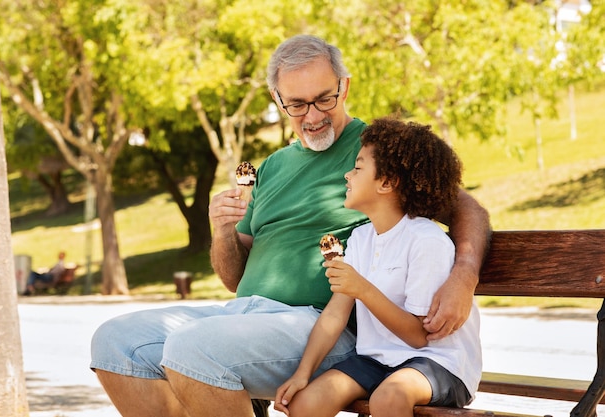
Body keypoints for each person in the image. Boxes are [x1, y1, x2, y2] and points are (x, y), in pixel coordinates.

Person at [90, 34, 490, 417]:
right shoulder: (273, 167)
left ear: (344, 87)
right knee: (114, 343)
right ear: (277, 99)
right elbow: (233, 277)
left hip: (322, 326)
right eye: (297, 104)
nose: (313, 117)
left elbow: (465, 206)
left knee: (193, 349)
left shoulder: (378, 150)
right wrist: (223, 230)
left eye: (323, 99)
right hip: (245, 315)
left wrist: (465, 275)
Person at [274, 117, 481, 417]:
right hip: (378, 360)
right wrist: (303, 374)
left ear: (386, 182)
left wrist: (363, 289)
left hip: (438, 363)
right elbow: (334, 314)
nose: (348, 175)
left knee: (389, 397)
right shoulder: (361, 238)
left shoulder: (426, 240)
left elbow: (419, 336)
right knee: (305, 404)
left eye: (358, 168)